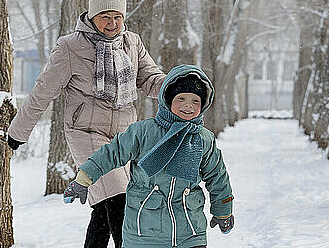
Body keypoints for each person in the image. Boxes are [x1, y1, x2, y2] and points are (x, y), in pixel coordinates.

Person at [7, 0, 167, 248]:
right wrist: (18, 132)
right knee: (118, 198)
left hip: (124, 138)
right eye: (105, 16)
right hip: (86, 134)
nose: (112, 23)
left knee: (104, 207)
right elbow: (43, 91)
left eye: (117, 16)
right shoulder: (70, 46)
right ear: (92, 15)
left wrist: (175, 87)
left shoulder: (132, 42)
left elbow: (150, 78)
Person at [63, 65, 234, 248]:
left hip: (190, 231)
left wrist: (223, 210)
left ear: (203, 104)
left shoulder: (203, 139)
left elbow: (218, 177)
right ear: (167, 100)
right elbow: (112, 153)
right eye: (181, 98)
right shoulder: (143, 132)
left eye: (195, 101)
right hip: (144, 231)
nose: (188, 105)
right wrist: (83, 178)